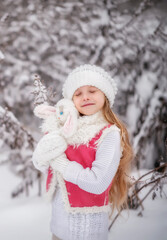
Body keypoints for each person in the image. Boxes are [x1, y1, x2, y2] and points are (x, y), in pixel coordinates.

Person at [33, 64, 133, 240]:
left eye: (92, 91)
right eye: (78, 94)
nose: (85, 97)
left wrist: (63, 164)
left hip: (87, 230)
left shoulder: (109, 134)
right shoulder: (64, 129)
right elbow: (48, 170)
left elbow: (98, 182)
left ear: (105, 95)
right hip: (57, 227)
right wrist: (41, 158)